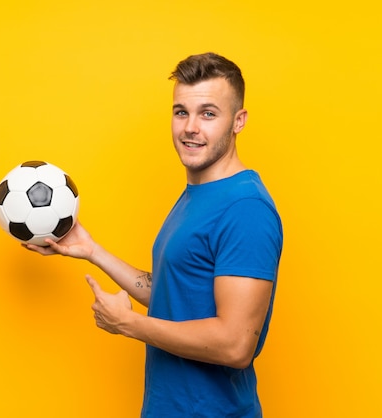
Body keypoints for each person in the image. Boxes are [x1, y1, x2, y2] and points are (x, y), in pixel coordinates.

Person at [25, 52, 283, 417]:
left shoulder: (245, 208)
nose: (190, 127)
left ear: (238, 121)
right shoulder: (197, 196)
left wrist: (130, 324)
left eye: (208, 114)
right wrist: (91, 249)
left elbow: (235, 345)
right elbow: (171, 294)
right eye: (181, 112)